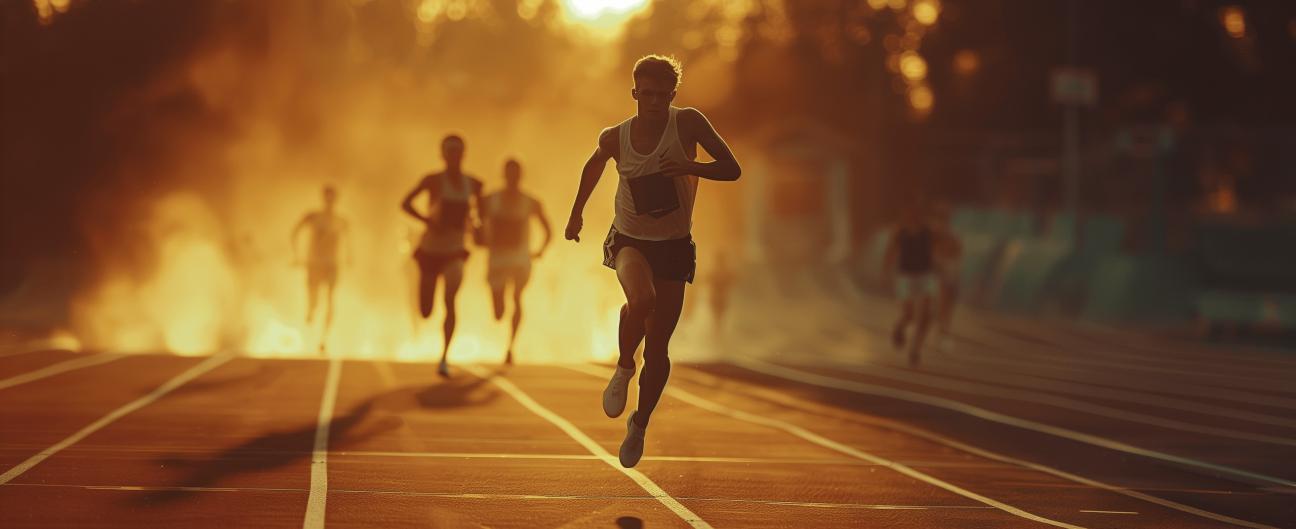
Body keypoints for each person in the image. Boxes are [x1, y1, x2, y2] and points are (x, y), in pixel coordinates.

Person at [564, 55, 741, 468]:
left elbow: (732, 168)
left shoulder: (689, 123)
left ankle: (640, 423)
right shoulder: (616, 136)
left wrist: (689, 165)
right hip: (630, 239)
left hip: (674, 245)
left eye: (663, 95)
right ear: (635, 94)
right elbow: (592, 167)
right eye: (648, 94)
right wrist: (576, 214)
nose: (656, 101)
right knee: (641, 301)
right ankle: (624, 365)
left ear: (673, 96)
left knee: (659, 346)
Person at [401, 134, 483, 377]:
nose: (454, 156)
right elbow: (405, 203)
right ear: (443, 155)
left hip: (455, 250)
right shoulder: (433, 181)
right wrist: (427, 220)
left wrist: (477, 229)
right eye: (449, 151)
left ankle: (444, 357)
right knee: (426, 310)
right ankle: (426, 306)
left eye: (458, 151)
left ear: (463, 154)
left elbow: (480, 216)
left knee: (450, 299)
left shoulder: (474, 184)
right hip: (430, 250)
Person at [482, 158, 552, 365]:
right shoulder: (490, 200)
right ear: (504, 175)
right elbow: (474, 221)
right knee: (498, 312)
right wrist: (479, 237)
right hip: (497, 259)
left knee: (518, 296)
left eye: (516, 174)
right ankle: (497, 300)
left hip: (520, 259)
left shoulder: (530, 202)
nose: (512, 178)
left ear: (520, 176)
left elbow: (548, 229)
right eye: (509, 174)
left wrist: (540, 250)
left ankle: (511, 347)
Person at [292, 185, 348, 352]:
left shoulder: (341, 221)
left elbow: (349, 243)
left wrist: (349, 257)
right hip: (315, 263)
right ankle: (310, 315)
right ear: (324, 198)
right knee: (314, 301)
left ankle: (324, 338)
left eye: (333, 198)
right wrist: (296, 255)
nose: (330, 201)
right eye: (327, 197)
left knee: (330, 299)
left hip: (331, 264)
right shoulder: (313, 217)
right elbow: (295, 232)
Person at [883, 199, 938, 366]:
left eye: (918, 213)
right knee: (909, 314)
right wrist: (885, 271)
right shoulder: (900, 232)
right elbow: (890, 252)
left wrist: (942, 264)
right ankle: (899, 328)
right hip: (905, 276)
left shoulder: (929, 232)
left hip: (925, 275)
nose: (914, 216)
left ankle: (915, 349)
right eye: (910, 213)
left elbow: (940, 249)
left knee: (927, 315)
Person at [931, 202, 963, 350]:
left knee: (947, 304)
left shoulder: (952, 235)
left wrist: (953, 269)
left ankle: (943, 332)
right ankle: (941, 331)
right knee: (942, 302)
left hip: (948, 271)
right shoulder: (934, 233)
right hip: (939, 271)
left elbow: (957, 253)